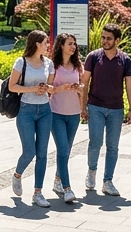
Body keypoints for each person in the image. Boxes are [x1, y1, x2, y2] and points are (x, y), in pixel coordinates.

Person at [82, 22, 131, 197]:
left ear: (117, 40)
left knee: (113, 146)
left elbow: (129, 85)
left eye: (108, 38)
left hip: (116, 108)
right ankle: (91, 172)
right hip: (95, 106)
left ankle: (108, 181)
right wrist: (83, 106)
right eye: (103, 38)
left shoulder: (125, 60)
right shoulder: (93, 57)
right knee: (95, 143)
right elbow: (85, 83)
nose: (105, 41)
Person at [9, 30, 54, 208]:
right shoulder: (22, 62)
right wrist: (33, 89)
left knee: (43, 154)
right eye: (45, 43)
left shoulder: (48, 63)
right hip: (26, 110)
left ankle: (38, 192)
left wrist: (45, 88)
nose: (47, 46)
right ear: (37, 44)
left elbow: (51, 86)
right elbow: (13, 86)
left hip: (44, 110)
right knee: (30, 152)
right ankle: (17, 175)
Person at [49, 33, 85, 203]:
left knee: (66, 151)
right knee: (63, 150)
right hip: (55, 112)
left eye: (74, 44)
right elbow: (48, 87)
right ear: (61, 45)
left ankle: (57, 180)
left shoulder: (78, 66)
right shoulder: (53, 66)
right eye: (70, 43)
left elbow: (83, 87)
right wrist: (59, 88)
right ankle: (67, 189)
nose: (73, 47)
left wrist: (79, 88)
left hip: (74, 114)